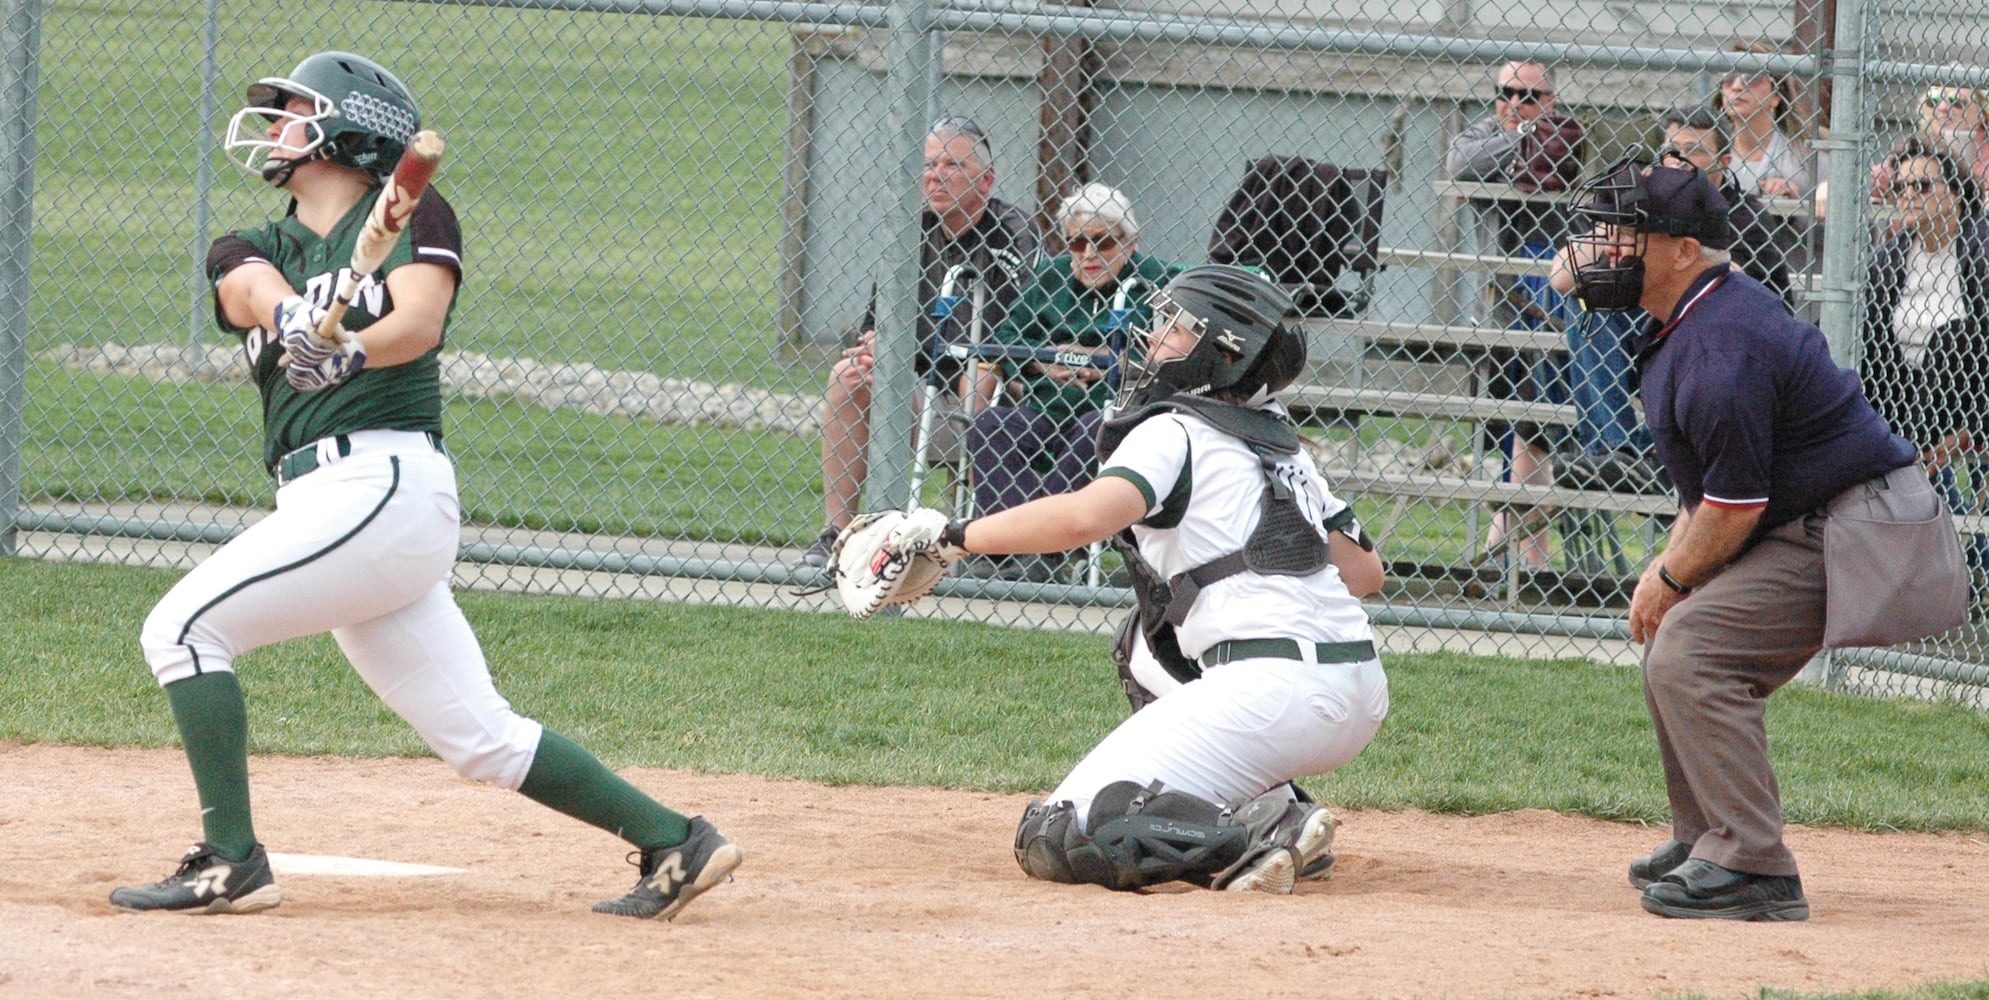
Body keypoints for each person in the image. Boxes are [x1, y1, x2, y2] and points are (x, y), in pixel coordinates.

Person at [110, 52, 741, 920]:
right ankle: (677, 842)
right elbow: (243, 288)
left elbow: (418, 320)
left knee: (179, 629)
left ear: (348, 127)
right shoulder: (263, 242)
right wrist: (298, 317)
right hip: (327, 505)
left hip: (380, 481)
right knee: (481, 738)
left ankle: (230, 861)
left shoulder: (404, 208)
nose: (276, 125)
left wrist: (352, 348)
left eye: (295, 110)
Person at [881, 264, 1388, 894]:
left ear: (1219, 352)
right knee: (1144, 641)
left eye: (1176, 331)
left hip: (1272, 691)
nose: (1154, 341)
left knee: (1058, 833)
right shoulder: (1286, 445)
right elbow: (1365, 574)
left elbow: (1083, 518)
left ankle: (1256, 835)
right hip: (1360, 689)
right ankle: (1281, 809)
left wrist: (952, 537)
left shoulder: (1173, 428)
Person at [1566, 160, 1925, 921]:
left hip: (1854, 528)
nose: (1603, 247)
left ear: (1683, 251)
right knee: (1678, 642)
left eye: (1623, 233)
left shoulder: (1719, 344)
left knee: (1694, 649)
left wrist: (1667, 580)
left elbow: (1732, 507)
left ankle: (1753, 866)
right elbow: (1710, 493)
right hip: (1807, 521)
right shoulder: (1694, 317)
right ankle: (1706, 839)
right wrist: (1668, 572)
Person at [799, 115, 1040, 570]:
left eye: (953, 164)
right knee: (848, 377)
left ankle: (991, 539)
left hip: (989, 402)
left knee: (980, 375)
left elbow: (998, 343)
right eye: (930, 164)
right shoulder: (910, 232)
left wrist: (907, 350)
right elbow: (877, 329)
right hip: (914, 392)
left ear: (986, 180)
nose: (936, 174)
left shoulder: (1012, 234)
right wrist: (874, 350)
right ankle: (842, 535)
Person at [961, 182, 1181, 581]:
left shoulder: (1159, 280)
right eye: (1077, 244)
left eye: (1103, 242)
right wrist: (1047, 364)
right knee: (992, 426)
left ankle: (1044, 551)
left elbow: (1179, 346)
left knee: (1094, 429)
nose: (1090, 255)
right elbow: (1007, 338)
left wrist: (1114, 361)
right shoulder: (1051, 276)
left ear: (1130, 244)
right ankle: (1013, 550)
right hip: (1046, 406)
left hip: (1112, 409)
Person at [1445, 60, 1587, 566]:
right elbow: (1462, 166)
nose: (1516, 104)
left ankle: (1519, 549)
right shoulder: (1485, 130)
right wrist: (1524, 136)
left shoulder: (1566, 129)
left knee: (1538, 415)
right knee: (1514, 421)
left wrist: (1529, 138)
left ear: (1552, 98)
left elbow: (1561, 155)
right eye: (1507, 93)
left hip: (1551, 292)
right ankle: (1523, 549)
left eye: (1531, 96)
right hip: (1502, 301)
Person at [1859, 138, 1989, 595]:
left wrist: (1965, 433)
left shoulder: (1982, 252)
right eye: (1900, 187)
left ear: (1954, 193)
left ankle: (1958, 570)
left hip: (1972, 405)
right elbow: (1873, 354)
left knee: (1956, 336)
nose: (1909, 194)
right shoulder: (1888, 260)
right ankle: (1961, 571)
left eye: (1922, 185)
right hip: (1903, 403)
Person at [1715, 66, 1812, 199]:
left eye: (1753, 77)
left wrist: (1793, 200)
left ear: (1776, 96)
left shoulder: (1806, 152)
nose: (1737, 86)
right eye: (1729, 76)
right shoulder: (1708, 146)